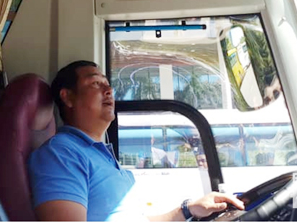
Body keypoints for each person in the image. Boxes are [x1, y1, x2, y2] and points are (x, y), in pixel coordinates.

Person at [28, 60, 245, 221]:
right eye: (95, 84)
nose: (109, 90)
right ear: (67, 97)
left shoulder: (101, 155)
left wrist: (188, 209)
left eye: (108, 84)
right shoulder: (61, 154)